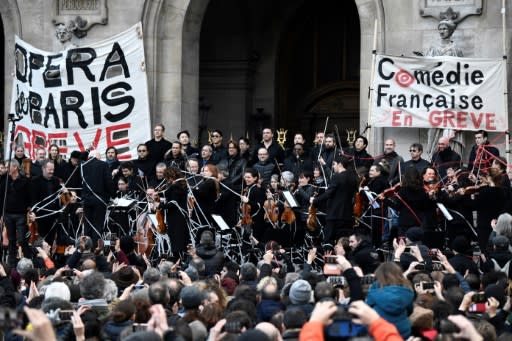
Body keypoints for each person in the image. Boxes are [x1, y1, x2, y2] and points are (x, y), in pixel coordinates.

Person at [311, 155, 358, 245]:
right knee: (344, 242)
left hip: (335, 214)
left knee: (329, 241)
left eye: (334, 164)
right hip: (348, 215)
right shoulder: (353, 178)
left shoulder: (337, 177)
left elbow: (329, 193)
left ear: (340, 164)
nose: (333, 167)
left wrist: (315, 200)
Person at [366, 262, 414, 339]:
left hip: (381, 332)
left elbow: (367, 310)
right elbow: (410, 311)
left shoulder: (374, 292)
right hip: (403, 332)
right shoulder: (406, 291)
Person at [0, 159, 31, 267]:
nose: (6, 169)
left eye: (8, 167)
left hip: (20, 214)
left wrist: (29, 208)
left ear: (15, 167)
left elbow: (28, 196)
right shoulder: (4, 180)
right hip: (7, 214)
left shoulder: (24, 180)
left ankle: (28, 258)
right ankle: (11, 264)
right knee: (11, 240)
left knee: (22, 239)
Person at [80, 152, 115, 244]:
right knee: (98, 225)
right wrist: (113, 195)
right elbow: (108, 182)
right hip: (99, 200)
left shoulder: (83, 166)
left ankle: (86, 248)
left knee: (88, 225)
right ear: (97, 156)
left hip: (86, 200)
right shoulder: (103, 164)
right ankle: (96, 249)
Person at [30, 160, 61, 246]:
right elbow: (33, 199)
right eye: (50, 169)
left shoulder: (56, 180)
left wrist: (65, 193)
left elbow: (59, 197)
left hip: (53, 215)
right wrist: (33, 212)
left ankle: (49, 257)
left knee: (50, 240)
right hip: (40, 216)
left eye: (53, 169)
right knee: (40, 240)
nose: (52, 172)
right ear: (43, 169)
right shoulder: (35, 181)